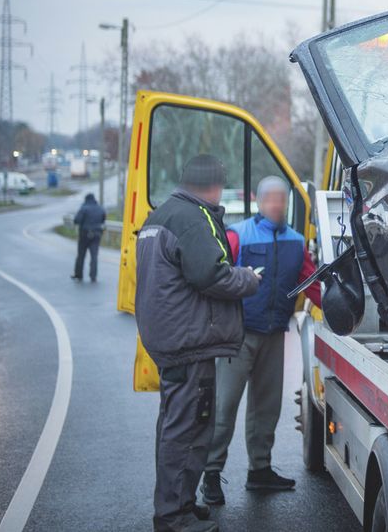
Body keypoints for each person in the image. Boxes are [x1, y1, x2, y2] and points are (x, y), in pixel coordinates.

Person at [136, 155, 261, 532]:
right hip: (189, 342)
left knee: (178, 426)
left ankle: (182, 505)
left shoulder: (161, 215)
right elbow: (212, 275)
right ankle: (173, 517)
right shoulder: (195, 217)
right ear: (214, 185)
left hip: (171, 339)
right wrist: (249, 279)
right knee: (187, 429)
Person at [200, 176, 321, 506]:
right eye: (270, 199)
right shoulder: (237, 235)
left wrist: (344, 309)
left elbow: (312, 285)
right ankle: (211, 474)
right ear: (258, 201)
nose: (276, 205)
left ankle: (260, 470)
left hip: (273, 336)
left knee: (266, 408)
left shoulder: (297, 242)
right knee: (224, 407)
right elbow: (216, 277)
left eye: (281, 200)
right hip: (237, 336)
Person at [71, 193, 106, 282]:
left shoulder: (84, 208)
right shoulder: (100, 208)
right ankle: (93, 276)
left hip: (84, 234)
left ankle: (79, 275)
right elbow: (103, 219)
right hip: (97, 235)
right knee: (94, 256)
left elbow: (77, 220)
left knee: (81, 255)